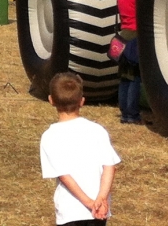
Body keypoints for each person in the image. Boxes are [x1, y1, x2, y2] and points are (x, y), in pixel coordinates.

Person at [40, 71, 119, 225]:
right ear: (82, 101)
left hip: (70, 211)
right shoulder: (97, 130)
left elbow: (64, 175)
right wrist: (101, 198)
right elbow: (110, 166)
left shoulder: (50, 136)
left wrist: (89, 202)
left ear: (51, 100)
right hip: (99, 211)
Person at [115, 0, 142, 124]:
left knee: (124, 76)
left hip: (123, 34)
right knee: (135, 77)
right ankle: (131, 114)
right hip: (135, 33)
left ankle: (124, 111)